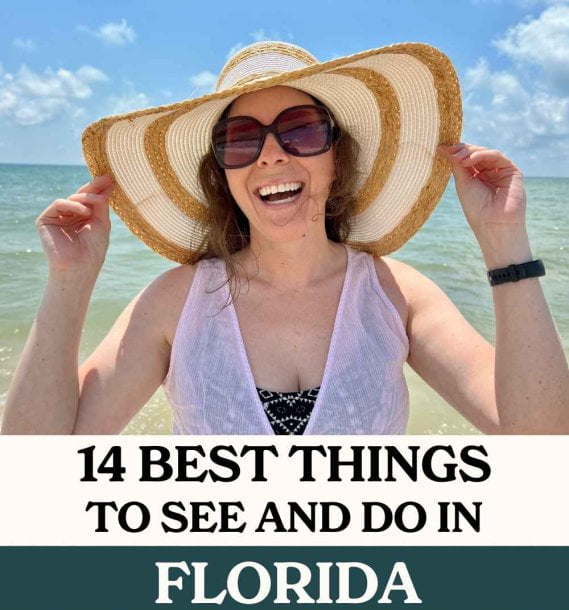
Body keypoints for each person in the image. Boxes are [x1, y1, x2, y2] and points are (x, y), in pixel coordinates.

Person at [3, 39, 569, 435]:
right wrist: (69, 282)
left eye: (300, 130)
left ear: (337, 159)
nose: (271, 153)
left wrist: (503, 241)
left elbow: (540, 441)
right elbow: (35, 469)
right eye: (241, 139)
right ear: (222, 174)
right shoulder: (175, 303)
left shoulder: (397, 295)